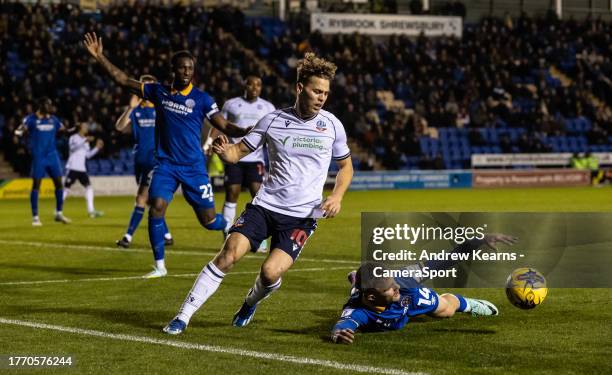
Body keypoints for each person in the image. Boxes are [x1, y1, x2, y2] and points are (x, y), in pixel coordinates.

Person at [163, 52, 354, 335]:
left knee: (269, 273)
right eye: (316, 90)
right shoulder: (272, 120)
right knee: (228, 254)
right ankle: (183, 315)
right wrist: (223, 151)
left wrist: (337, 196)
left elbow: (346, 167)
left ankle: (250, 302)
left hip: (301, 217)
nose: (322, 97)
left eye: (325, 92)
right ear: (300, 88)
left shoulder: (332, 125)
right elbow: (238, 152)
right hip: (264, 207)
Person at [83, 32, 250, 278]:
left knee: (209, 221)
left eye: (190, 68)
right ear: (173, 69)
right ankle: (159, 266)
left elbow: (223, 125)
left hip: (193, 167)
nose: (186, 71)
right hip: (166, 165)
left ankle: (235, 226)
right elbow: (123, 80)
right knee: (156, 206)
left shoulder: (202, 99)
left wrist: (245, 131)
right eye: (182, 67)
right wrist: (100, 57)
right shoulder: (158, 92)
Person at [331, 234, 518, 344]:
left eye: (393, 280)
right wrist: (339, 334)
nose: (395, 286)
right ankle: (355, 283)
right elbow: (344, 324)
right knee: (356, 295)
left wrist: (480, 241)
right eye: (389, 287)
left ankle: (468, 304)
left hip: (408, 302)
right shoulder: (359, 311)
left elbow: (446, 260)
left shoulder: (403, 282)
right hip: (371, 300)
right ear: (372, 298)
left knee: (446, 311)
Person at [205, 75, 275, 251]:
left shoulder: (268, 107)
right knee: (232, 192)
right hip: (234, 155)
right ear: (246, 84)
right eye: (252, 84)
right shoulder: (231, 104)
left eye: (259, 85)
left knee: (258, 196)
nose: (255, 88)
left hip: (256, 158)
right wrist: (208, 142)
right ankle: (228, 234)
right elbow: (220, 125)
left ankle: (259, 236)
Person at [115, 75, 173, 249]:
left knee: (141, 198)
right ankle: (167, 235)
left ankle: (128, 237)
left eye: (149, 86)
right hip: (140, 161)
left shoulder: (161, 108)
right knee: (151, 201)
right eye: (143, 86)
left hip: (155, 161)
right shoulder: (136, 110)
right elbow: (119, 127)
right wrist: (130, 108)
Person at [14, 97, 72, 226]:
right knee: (36, 185)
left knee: (59, 184)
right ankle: (35, 217)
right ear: (41, 106)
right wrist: (19, 132)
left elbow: (64, 130)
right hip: (39, 157)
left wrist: (73, 129)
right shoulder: (31, 119)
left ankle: (59, 213)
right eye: (48, 105)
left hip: (52, 156)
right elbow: (20, 129)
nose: (50, 107)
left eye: (50, 105)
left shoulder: (53, 119)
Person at [63, 122, 104, 218]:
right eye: (85, 126)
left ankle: (91, 211)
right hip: (72, 167)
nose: (87, 128)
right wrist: (84, 140)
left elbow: (88, 155)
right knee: (66, 189)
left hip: (82, 169)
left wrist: (97, 148)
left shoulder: (86, 141)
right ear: (80, 128)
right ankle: (58, 210)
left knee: (89, 188)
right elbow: (72, 148)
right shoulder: (73, 137)